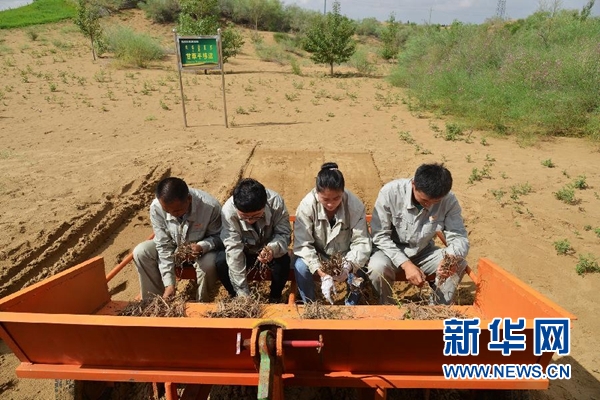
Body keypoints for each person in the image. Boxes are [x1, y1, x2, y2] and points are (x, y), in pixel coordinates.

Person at [367, 163, 469, 305]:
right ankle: (386, 307)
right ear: (414, 184)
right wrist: (406, 264)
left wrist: (450, 259)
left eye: (436, 202)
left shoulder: (449, 200)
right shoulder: (390, 193)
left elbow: (458, 236)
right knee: (377, 267)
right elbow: (380, 236)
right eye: (425, 200)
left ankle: (437, 309)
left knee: (458, 262)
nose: (429, 205)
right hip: (390, 251)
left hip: (423, 251)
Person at [293, 162, 372, 305]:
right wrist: (322, 273)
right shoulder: (306, 206)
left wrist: (348, 266)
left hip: (346, 256)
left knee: (359, 266)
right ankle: (310, 304)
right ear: (317, 193)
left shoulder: (354, 206)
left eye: (336, 198)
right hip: (319, 256)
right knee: (300, 266)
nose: (331, 204)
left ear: (342, 192)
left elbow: (361, 243)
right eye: (325, 199)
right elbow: (303, 245)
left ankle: (351, 305)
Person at [133, 177, 222, 301]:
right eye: (166, 211)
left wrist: (201, 246)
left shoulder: (210, 207)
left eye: (177, 210)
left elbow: (219, 237)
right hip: (174, 246)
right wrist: (169, 284)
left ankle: (202, 302)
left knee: (207, 264)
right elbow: (163, 245)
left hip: (203, 252)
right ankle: (154, 302)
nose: (172, 214)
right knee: (141, 252)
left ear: (189, 199)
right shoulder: (157, 207)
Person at [216, 178, 291, 303]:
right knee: (221, 261)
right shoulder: (228, 212)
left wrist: (272, 249)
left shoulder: (276, 203)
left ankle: (275, 297)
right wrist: (243, 293)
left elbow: (284, 234)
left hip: (268, 251)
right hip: (244, 251)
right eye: (244, 217)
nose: (250, 221)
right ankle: (235, 296)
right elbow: (234, 249)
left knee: (283, 261)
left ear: (264, 205)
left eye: (256, 216)